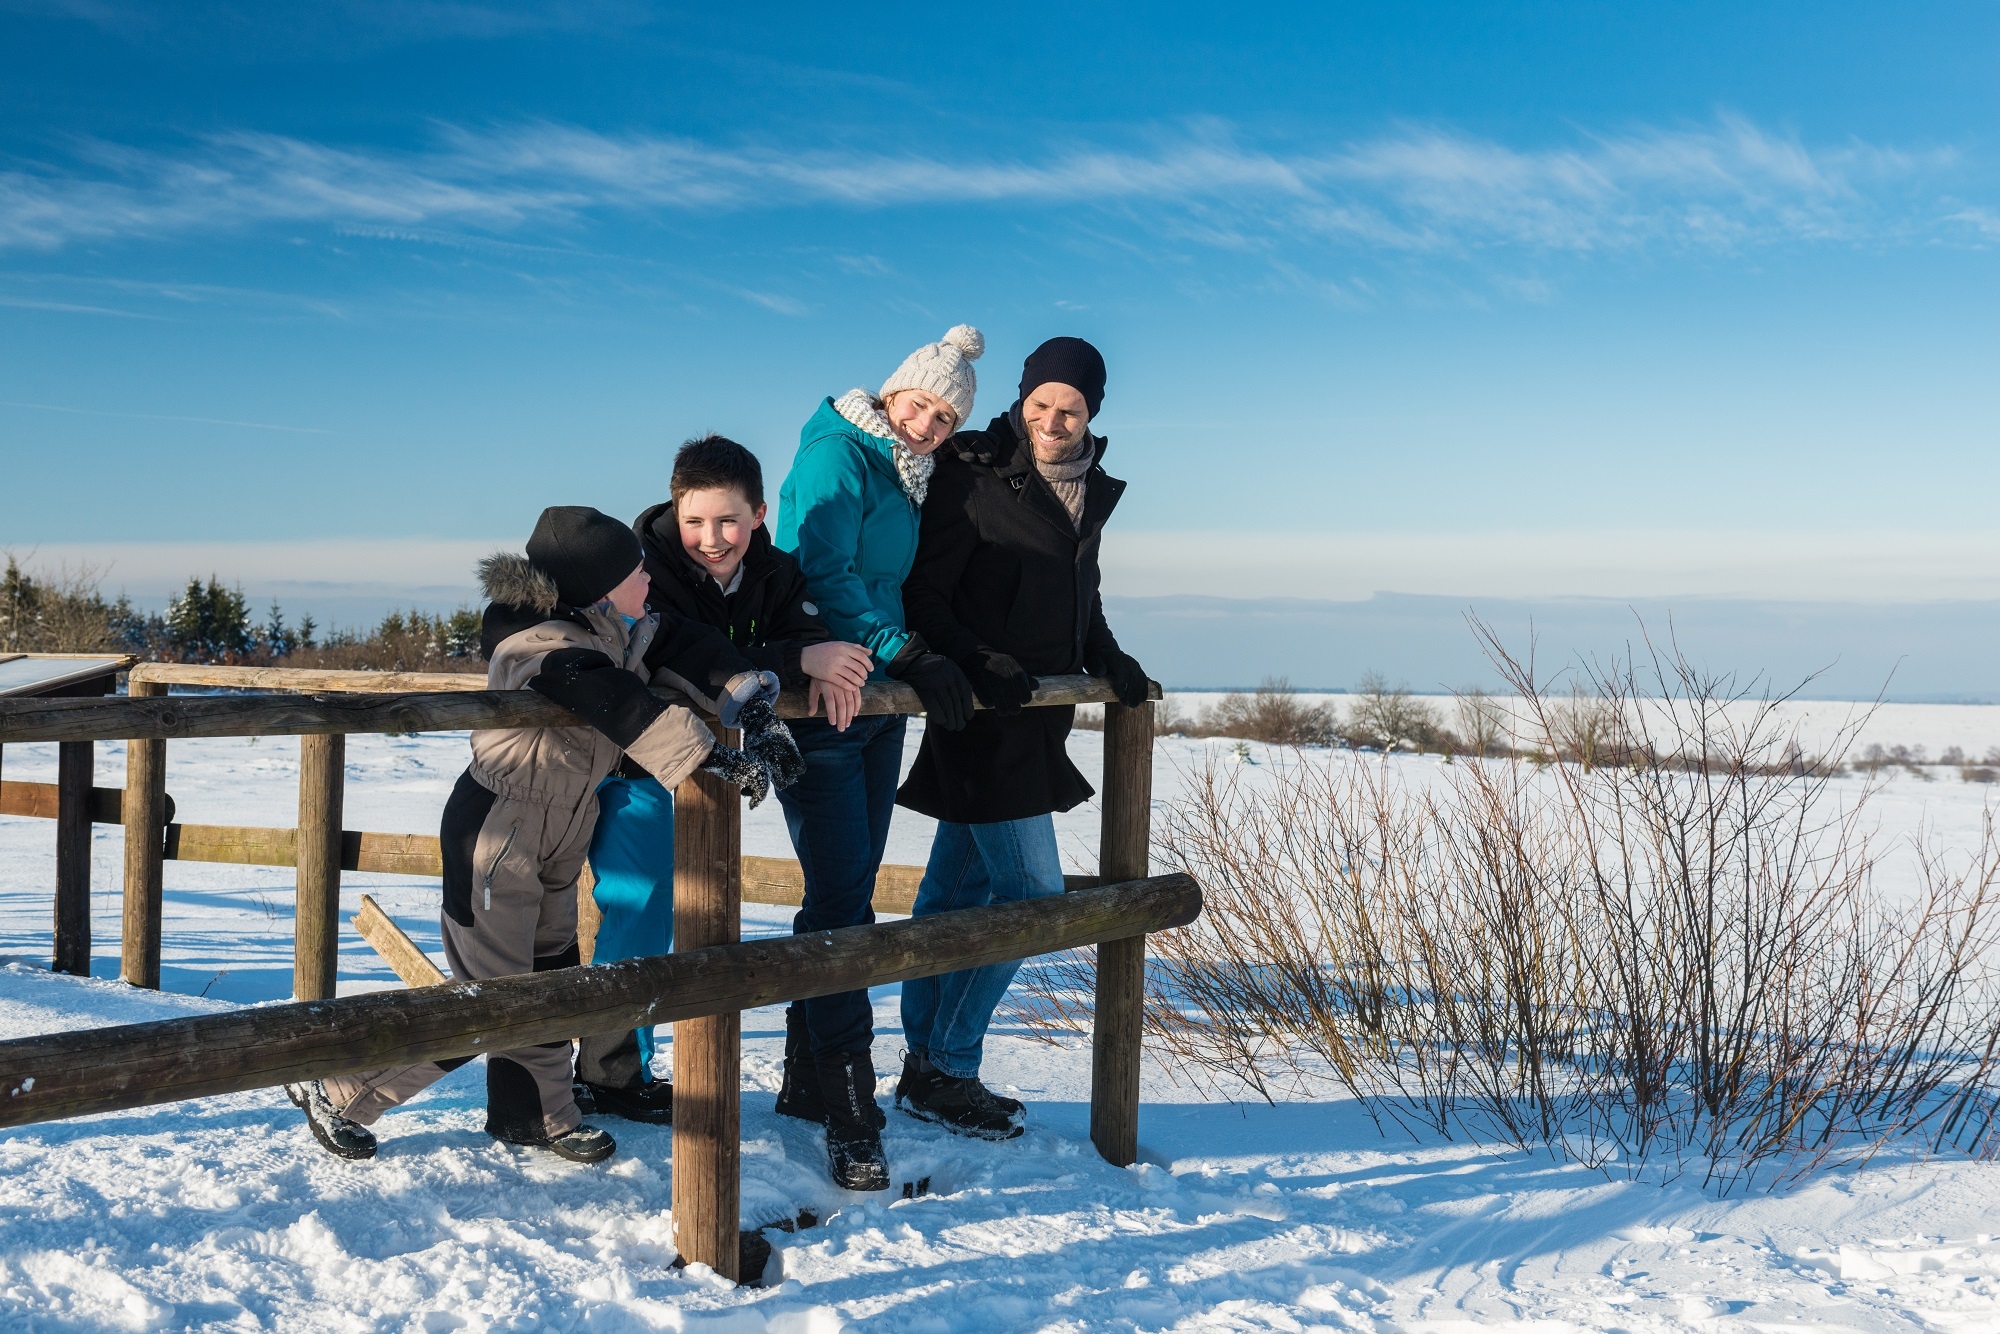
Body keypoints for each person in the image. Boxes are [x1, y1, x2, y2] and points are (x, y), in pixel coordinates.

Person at [287, 506, 796, 1164]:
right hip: (498, 832)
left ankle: (535, 1116)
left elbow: (683, 646)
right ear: (601, 587)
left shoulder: (615, 627)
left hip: (561, 828)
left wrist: (755, 706)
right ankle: (342, 1089)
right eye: (637, 572)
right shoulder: (538, 642)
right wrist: (708, 755)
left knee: (551, 975)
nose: (649, 578)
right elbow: (603, 691)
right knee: (492, 998)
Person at [895, 336, 1152, 1139]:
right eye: (1041, 403)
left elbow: (1080, 594)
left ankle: (925, 1068)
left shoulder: (1088, 487)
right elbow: (924, 593)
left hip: (1040, 721)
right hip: (983, 717)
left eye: (1070, 408)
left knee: (950, 900)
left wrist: (1107, 655)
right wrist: (976, 658)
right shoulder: (974, 473)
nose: (1053, 420)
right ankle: (948, 1066)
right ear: (1022, 398)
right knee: (1033, 897)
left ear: (1092, 412)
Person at [574, 435, 871, 1121]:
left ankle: (622, 1065)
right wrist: (798, 659)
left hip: (718, 765)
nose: (712, 539)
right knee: (639, 900)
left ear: (759, 514)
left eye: (729, 520)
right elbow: (678, 650)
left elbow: (799, 635)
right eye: (695, 521)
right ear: (674, 512)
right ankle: (607, 1070)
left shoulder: (777, 572)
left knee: (702, 905)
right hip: (639, 758)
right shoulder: (644, 570)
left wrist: (816, 659)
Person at [771, 325, 985, 1191]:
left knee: (847, 894)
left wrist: (916, 658)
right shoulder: (839, 455)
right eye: (920, 405)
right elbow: (824, 575)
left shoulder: (904, 470)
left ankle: (804, 1078)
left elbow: (892, 581)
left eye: (944, 418)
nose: (927, 425)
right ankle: (851, 1111)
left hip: (879, 697)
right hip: (829, 697)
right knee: (841, 904)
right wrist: (908, 652)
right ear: (892, 392)